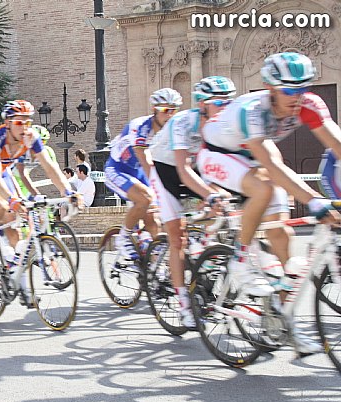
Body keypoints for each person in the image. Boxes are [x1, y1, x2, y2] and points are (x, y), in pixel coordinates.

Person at [199, 52, 341, 355]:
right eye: (289, 90)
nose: (296, 97)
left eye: (302, 89)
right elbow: (273, 165)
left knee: (282, 234)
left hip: (252, 157)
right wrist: (315, 201)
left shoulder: (309, 103)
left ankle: (279, 318)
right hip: (216, 154)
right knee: (262, 189)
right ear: (270, 87)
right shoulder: (253, 109)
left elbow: (338, 145)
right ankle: (239, 260)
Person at [0, 100, 79, 305]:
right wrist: (12, 200)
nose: (25, 127)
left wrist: (68, 191)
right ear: (8, 123)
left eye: (28, 122)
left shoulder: (30, 137)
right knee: (1, 206)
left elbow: (49, 166)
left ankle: (21, 284)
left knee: (16, 232)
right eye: (19, 122)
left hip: (2, 173)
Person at [148, 76, 237, 328]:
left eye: (228, 103)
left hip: (194, 168)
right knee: (178, 238)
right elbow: (183, 170)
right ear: (202, 105)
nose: (225, 108)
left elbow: (222, 165)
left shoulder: (222, 126)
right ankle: (183, 303)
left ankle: (203, 256)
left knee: (221, 206)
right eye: (219, 103)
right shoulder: (182, 122)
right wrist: (209, 194)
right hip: (166, 169)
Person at [104, 88, 182, 261]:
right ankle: (123, 238)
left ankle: (155, 270)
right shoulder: (141, 126)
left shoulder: (171, 130)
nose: (169, 115)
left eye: (173, 110)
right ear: (155, 110)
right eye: (165, 110)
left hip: (139, 172)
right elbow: (143, 156)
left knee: (154, 222)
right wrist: (158, 190)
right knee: (145, 198)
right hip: (117, 168)